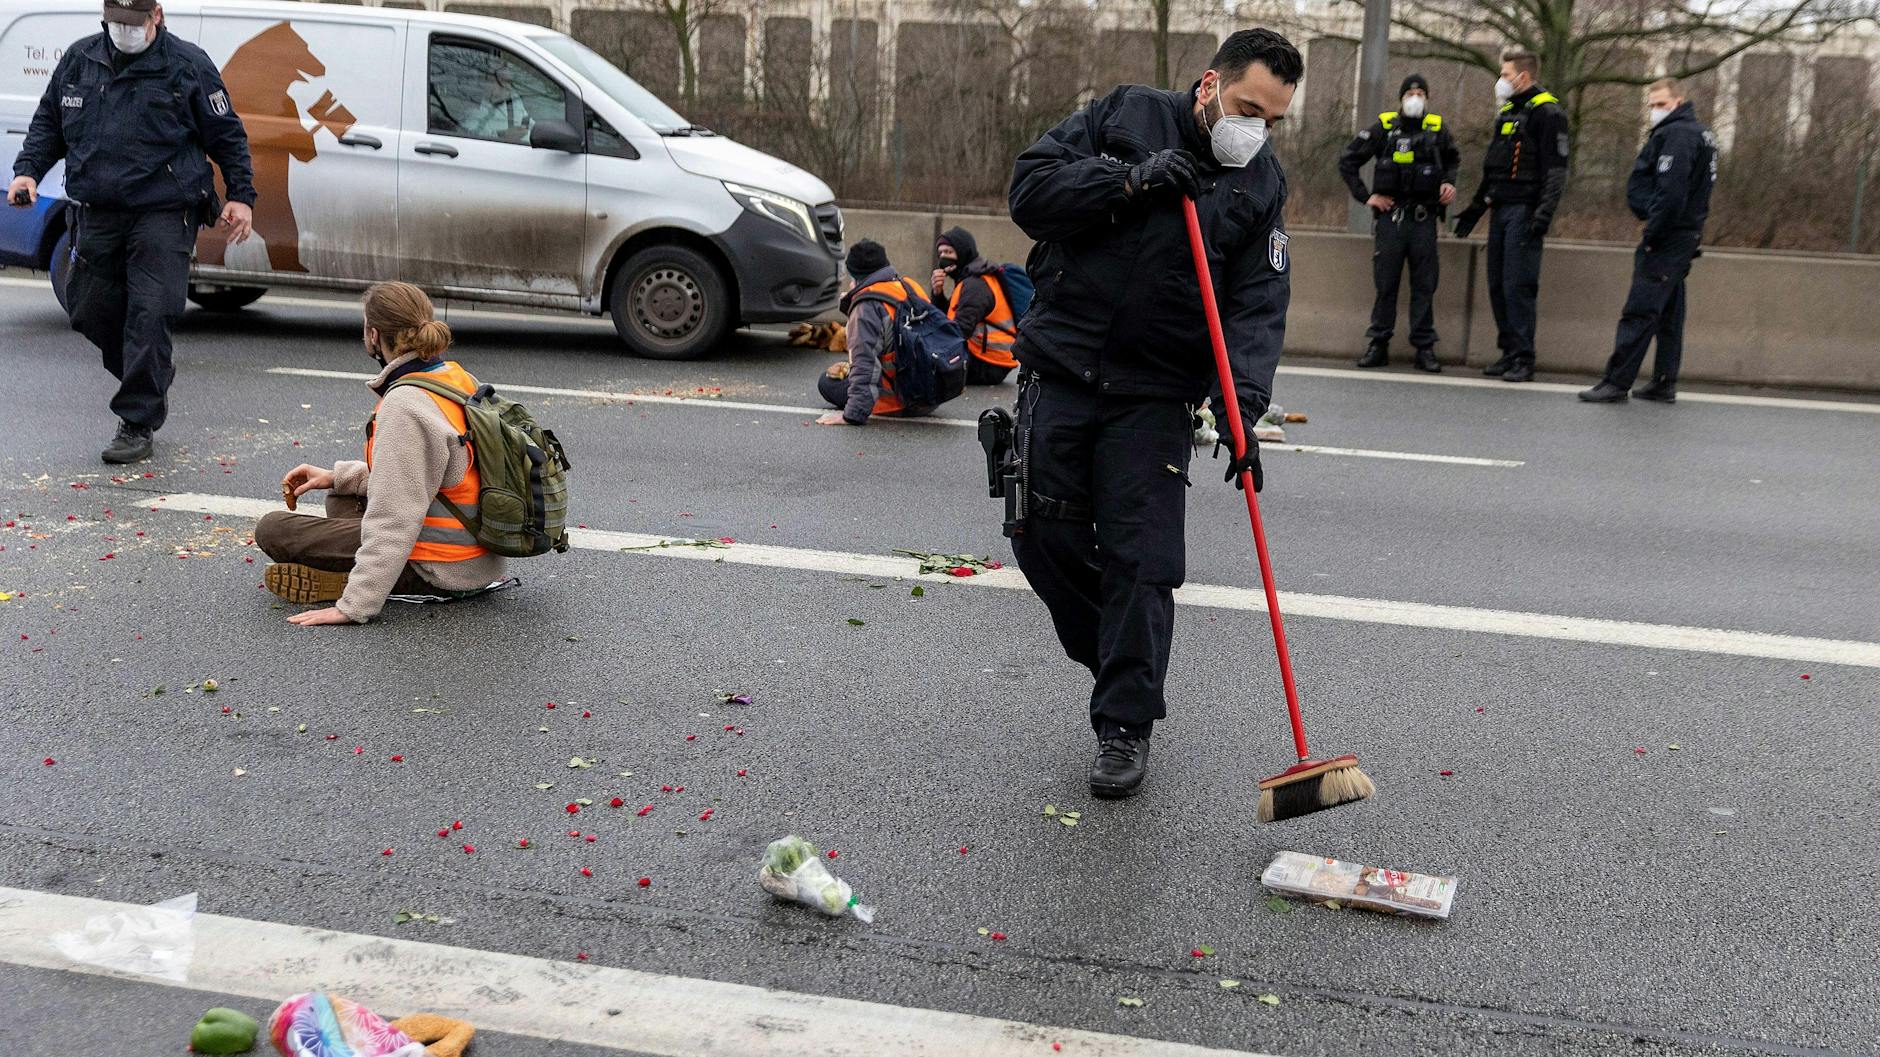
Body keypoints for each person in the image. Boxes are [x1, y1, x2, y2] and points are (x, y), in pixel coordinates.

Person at [1005, 28, 1298, 798]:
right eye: (1248, 109)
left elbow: (1257, 305)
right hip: (1063, 367)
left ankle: (1125, 722)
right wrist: (1128, 181)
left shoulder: (1260, 181)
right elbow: (1031, 193)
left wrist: (1241, 408)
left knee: (1143, 561)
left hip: (1157, 392)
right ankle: (1120, 659)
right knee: (1041, 538)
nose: (1256, 130)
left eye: (1272, 119)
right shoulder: (1126, 115)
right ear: (1209, 85)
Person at [8, 0, 255, 464]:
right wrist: (28, 171)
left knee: (150, 311)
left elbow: (227, 135)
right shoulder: (80, 59)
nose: (123, 31)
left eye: (133, 23)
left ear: (156, 16)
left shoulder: (188, 65)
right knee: (88, 308)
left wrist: (241, 196)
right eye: (115, 22)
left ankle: (136, 421)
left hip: (164, 211)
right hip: (99, 210)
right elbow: (49, 123)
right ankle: (151, 374)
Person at [255, 282, 508, 626]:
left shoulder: (406, 404)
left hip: (442, 569)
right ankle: (371, 569)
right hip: (478, 554)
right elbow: (427, 473)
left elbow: (395, 516)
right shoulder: (455, 377)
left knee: (273, 529)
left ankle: (359, 582)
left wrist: (354, 606)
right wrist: (335, 476)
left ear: (373, 335)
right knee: (341, 495)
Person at [1580, 79, 1716, 405]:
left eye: (1661, 104)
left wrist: (1653, 232)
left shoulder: (1677, 135)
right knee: (1669, 314)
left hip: (1669, 235)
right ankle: (1664, 381)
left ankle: (1616, 382)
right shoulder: (1699, 133)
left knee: (1640, 310)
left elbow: (1671, 192)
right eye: (1652, 105)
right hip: (1684, 233)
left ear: (1678, 102)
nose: (1655, 111)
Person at [1452, 50, 1569, 384]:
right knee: (1498, 285)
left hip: (1525, 210)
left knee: (1518, 286)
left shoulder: (1548, 113)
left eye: (1505, 74)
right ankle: (1508, 352)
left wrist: (1542, 216)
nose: (1500, 80)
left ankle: (1523, 357)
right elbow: (1494, 169)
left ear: (1524, 76)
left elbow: (1556, 172)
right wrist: (1475, 210)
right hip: (1501, 209)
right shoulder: (1508, 112)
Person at [1338, 73, 1460, 373]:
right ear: (1401, 98)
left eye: (1420, 94)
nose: (1415, 98)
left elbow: (1453, 160)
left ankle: (1424, 348)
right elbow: (1348, 160)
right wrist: (1367, 196)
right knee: (1386, 284)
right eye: (1409, 94)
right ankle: (1378, 344)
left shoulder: (1437, 129)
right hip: (1391, 219)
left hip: (1423, 220)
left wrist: (1449, 183)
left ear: (1427, 99)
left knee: (1424, 286)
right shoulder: (1386, 127)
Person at [816, 240, 932, 425]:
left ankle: (876, 405)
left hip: (901, 400)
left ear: (854, 275)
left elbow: (865, 363)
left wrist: (851, 415)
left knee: (827, 382)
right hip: (931, 395)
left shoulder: (866, 306)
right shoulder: (910, 286)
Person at [929, 226, 1018, 385]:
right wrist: (938, 294)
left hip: (988, 363)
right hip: (987, 357)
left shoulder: (975, 284)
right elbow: (948, 318)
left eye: (948, 252)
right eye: (940, 253)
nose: (943, 257)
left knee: (925, 364)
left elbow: (960, 330)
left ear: (963, 251)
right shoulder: (970, 277)